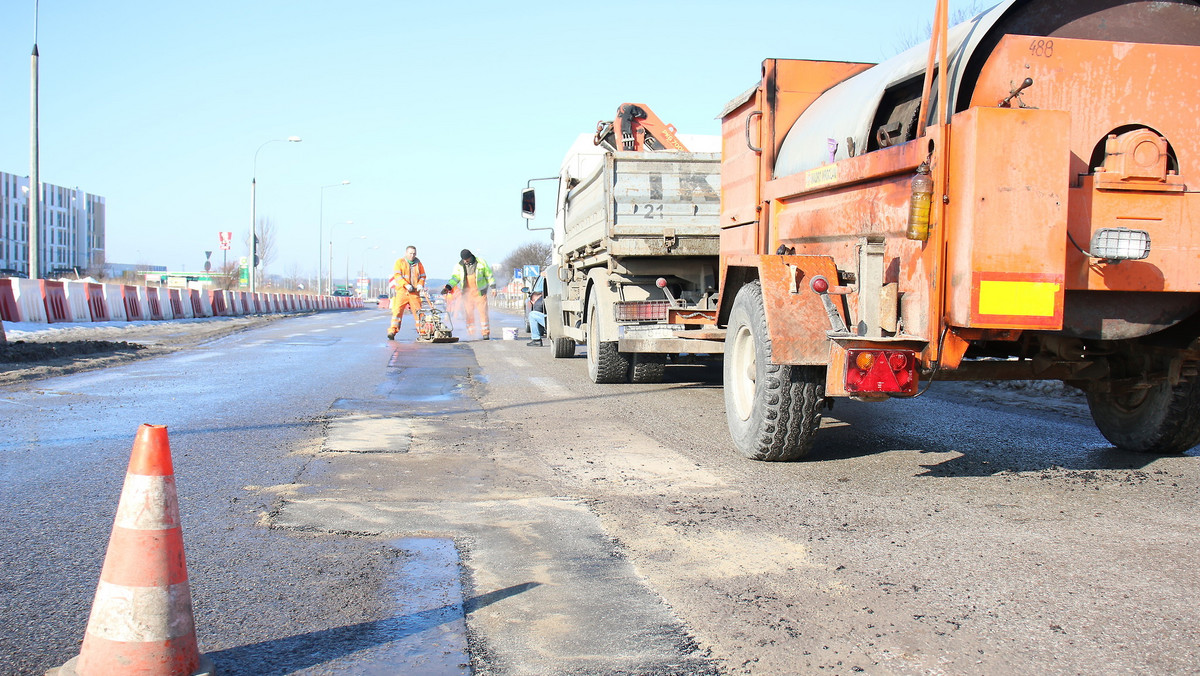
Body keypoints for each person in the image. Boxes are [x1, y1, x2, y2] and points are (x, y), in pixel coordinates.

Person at [441, 249, 495, 340]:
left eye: (467, 259)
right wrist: (448, 287)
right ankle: (471, 334)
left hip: (480, 293)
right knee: (469, 315)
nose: (465, 261)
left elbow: (489, 275)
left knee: (483, 313)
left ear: (470, 257)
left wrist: (493, 287)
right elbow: (455, 278)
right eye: (464, 260)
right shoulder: (459, 266)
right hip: (467, 294)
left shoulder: (481, 262)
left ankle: (485, 333)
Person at [387, 246, 426, 340]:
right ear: (406, 253)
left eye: (414, 253)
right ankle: (392, 331)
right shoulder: (400, 262)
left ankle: (422, 331)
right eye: (410, 253)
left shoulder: (418, 264)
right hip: (402, 292)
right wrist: (406, 285)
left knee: (419, 313)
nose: (412, 255)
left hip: (414, 293)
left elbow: (423, 276)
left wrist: (420, 284)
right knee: (397, 312)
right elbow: (397, 276)